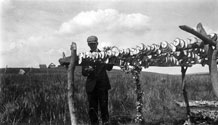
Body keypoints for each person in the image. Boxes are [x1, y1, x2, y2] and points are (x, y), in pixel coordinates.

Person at [82, 36, 113, 125]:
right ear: (88, 44)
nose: (92, 46)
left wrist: (111, 58)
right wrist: (88, 70)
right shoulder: (85, 56)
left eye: (93, 44)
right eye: (90, 44)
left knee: (104, 107)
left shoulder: (104, 55)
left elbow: (109, 68)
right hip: (91, 87)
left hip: (102, 86)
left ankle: (105, 123)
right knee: (92, 108)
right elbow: (83, 72)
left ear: (97, 44)